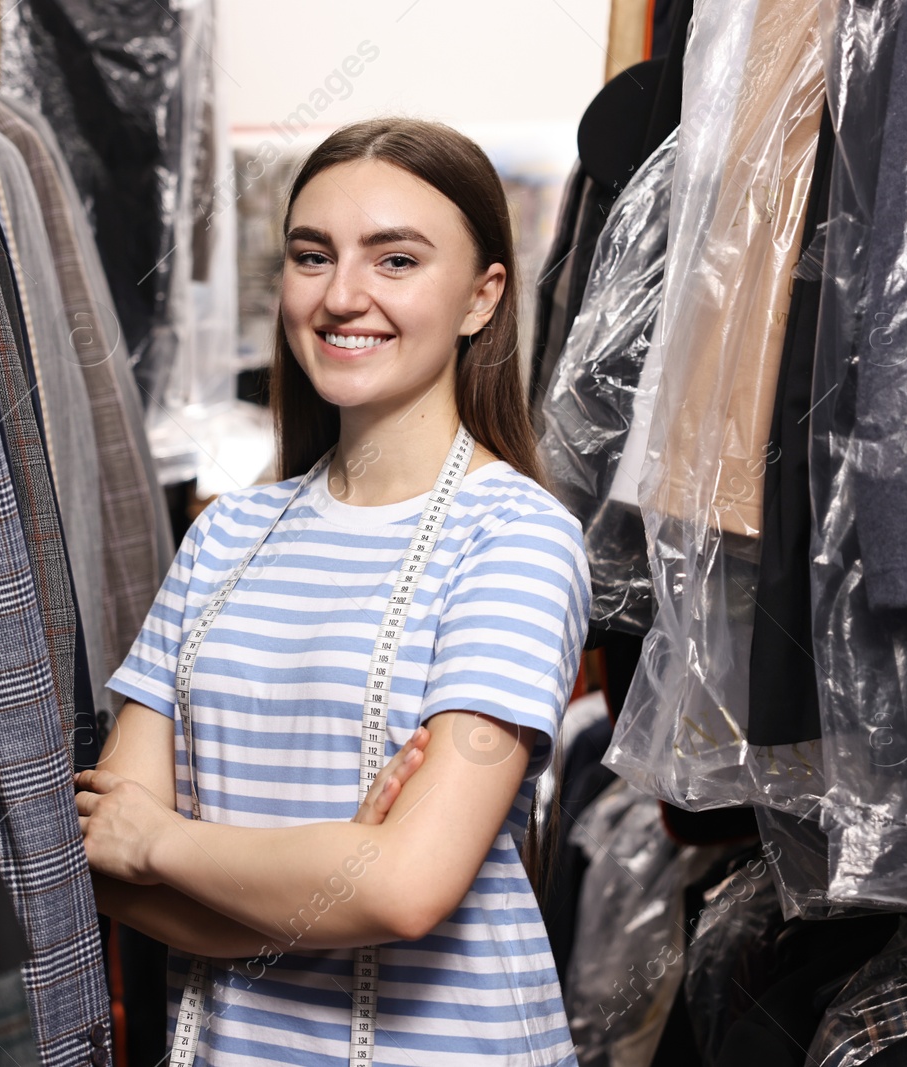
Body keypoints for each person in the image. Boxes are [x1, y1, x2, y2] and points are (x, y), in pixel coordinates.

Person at [75, 117, 591, 1065]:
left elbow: (406, 888)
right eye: (313, 256)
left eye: (396, 260)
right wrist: (330, 877)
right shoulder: (222, 534)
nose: (343, 295)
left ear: (483, 298)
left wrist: (166, 841)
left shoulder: (516, 539)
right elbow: (110, 867)